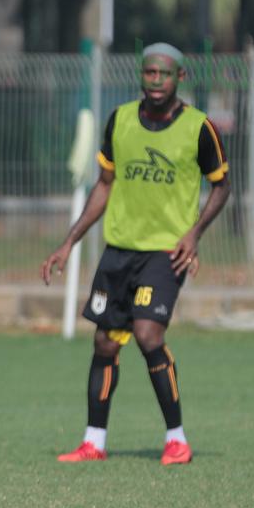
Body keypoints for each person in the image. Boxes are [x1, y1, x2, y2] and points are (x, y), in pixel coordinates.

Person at [41, 43, 231, 466]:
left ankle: (177, 439)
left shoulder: (200, 127)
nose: (157, 81)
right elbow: (104, 185)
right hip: (118, 251)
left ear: (180, 77)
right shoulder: (121, 120)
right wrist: (69, 241)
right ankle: (94, 442)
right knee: (106, 342)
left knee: (148, 335)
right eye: (150, 73)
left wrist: (195, 233)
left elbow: (222, 184)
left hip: (165, 253)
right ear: (140, 76)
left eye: (165, 74)